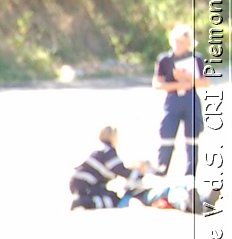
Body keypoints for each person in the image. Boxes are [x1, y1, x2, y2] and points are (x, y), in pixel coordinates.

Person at [155, 21, 209, 176]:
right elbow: (157, 83)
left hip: (190, 99)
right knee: (167, 135)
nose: (180, 45)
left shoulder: (197, 59)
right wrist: (178, 83)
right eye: (177, 41)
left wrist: (187, 78)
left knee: (192, 138)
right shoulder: (165, 59)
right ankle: (161, 171)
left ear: (189, 43)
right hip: (172, 100)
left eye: (183, 43)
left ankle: (190, 175)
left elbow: (205, 82)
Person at [69, 125, 150, 210]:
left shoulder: (102, 149)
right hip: (85, 184)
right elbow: (120, 170)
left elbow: (117, 168)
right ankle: (83, 203)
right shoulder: (108, 151)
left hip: (80, 182)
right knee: (113, 200)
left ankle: (83, 201)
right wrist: (140, 174)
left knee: (111, 196)